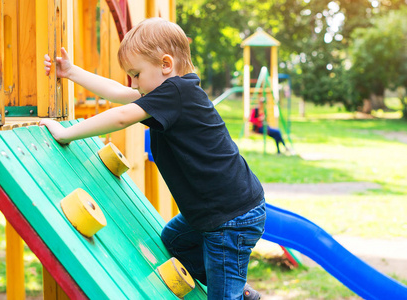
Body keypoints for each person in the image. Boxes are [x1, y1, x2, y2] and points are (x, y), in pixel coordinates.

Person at [40, 18, 265, 300]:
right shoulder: (172, 92)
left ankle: (230, 289)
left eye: (136, 74)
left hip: (230, 217)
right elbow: (119, 94)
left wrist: (67, 133)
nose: (133, 83)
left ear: (165, 65)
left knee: (221, 294)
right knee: (176, 241)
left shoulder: (175, 93)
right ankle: (236, 287)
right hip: (214, 212)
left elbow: (122, 116)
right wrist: (72, 72)